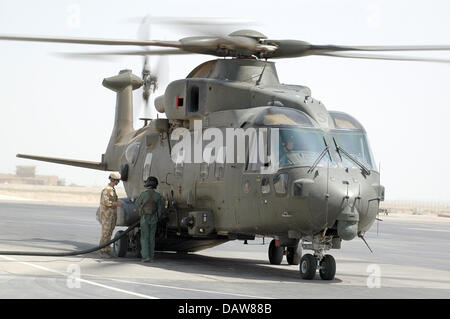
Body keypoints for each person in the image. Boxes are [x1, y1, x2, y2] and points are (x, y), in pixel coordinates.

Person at [136, 176, 163, 262]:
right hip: (154, 218)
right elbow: (160, 209)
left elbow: (137, 203)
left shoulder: (143, 194)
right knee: (152, 238)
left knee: (144, 237)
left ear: (147, 184)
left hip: (145, 218)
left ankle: (145, 256)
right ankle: (151, 257)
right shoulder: (158, 196)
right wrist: (157, 217)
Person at [99, 172, 122, 258]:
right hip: (106, 215)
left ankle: (107, 249)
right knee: (105, 233)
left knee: (109, 233)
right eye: (117, 181)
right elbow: (106, 202)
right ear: (113, 180)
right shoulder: (107, 189)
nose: (118, 183)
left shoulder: (112, 189)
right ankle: (102, 251)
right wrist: (117, 204)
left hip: (111, 215)